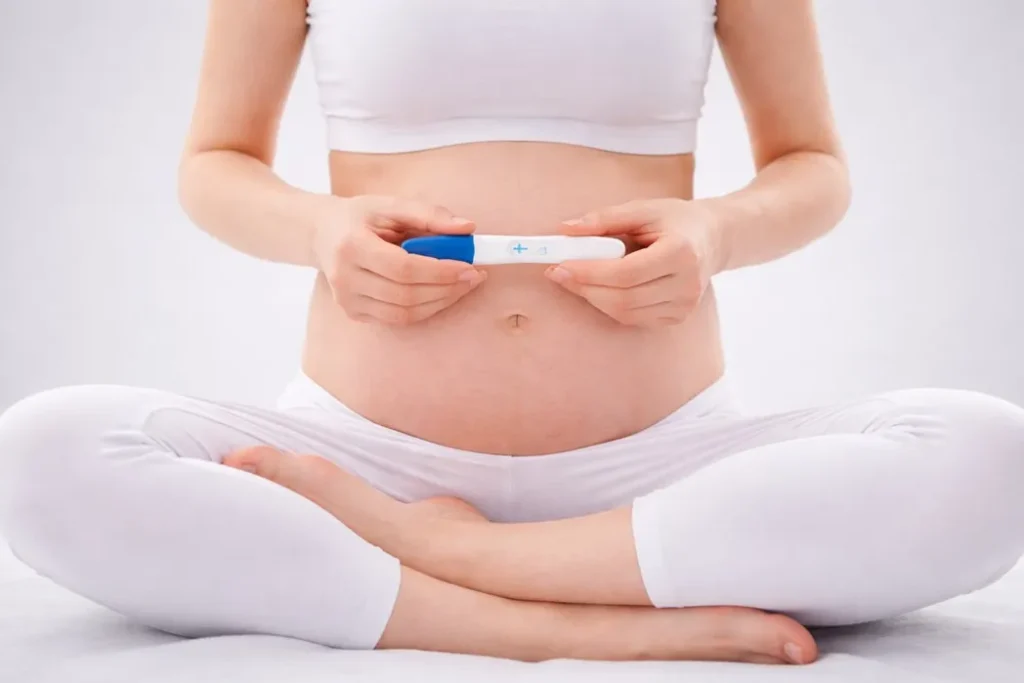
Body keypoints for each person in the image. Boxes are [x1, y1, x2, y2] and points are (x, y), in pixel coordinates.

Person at [2, 0, 1023, 667]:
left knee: (991, 455)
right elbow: (215, 161)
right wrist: (320, 229)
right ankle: (546, 619)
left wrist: (715, 231)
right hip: (361, 453)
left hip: (662, 459)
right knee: (42, 449)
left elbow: (810, 164)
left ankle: (430, 551)